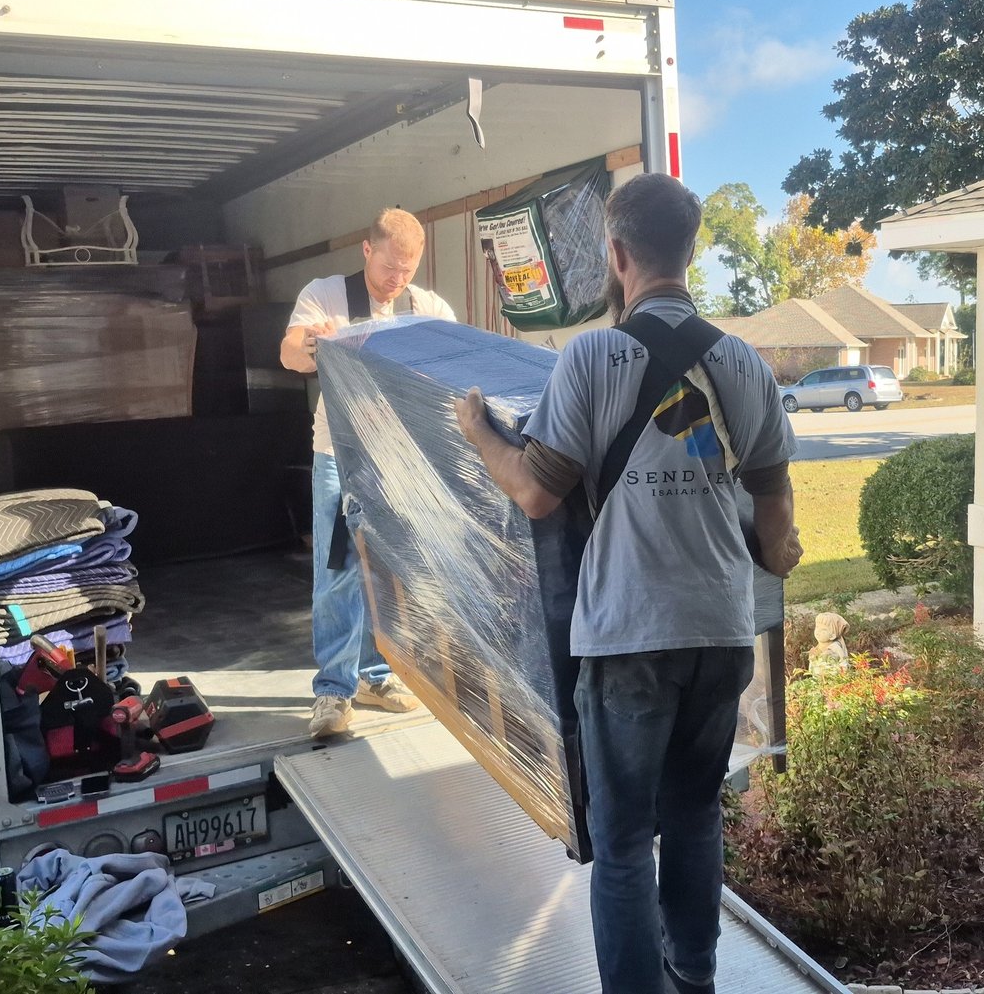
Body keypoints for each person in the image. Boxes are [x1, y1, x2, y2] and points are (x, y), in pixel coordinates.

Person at [454, 173, 803, 994]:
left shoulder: (590, 357)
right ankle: (698, 976)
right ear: (691, 251)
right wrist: (766, 546)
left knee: (620, 846)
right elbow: (778, 536)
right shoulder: (745, 364)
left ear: (615, 254)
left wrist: (476, 430)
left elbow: (536, 489)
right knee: (693, 818)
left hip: (626, 641)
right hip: (720, 636)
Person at [280, 208, 457, 739]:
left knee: (384, 571)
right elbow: (290, 354)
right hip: (340, 453)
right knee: (337, 569)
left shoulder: (428, 308)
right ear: (366, 249)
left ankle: (376, 675)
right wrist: (314, 343)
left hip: (399, 460)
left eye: (407, 269)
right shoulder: (328, 295)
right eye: (388, 266)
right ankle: (333, 690)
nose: (396, 279)